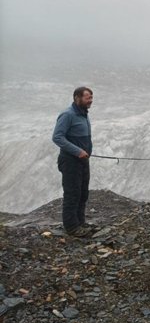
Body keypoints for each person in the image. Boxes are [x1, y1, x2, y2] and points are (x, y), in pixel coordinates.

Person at [52, 86, 94, 237]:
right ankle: (71, 227)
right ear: (77, 98)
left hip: (83, 161)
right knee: (72, 194)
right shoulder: (68, 114)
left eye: (91, 97)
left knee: (83, 193)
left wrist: (87, 152)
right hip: (70, 161)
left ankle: (80, 223)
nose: (91, 100)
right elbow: (57, 137)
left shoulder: (84, 114)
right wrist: (78, 151)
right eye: (87, 97)